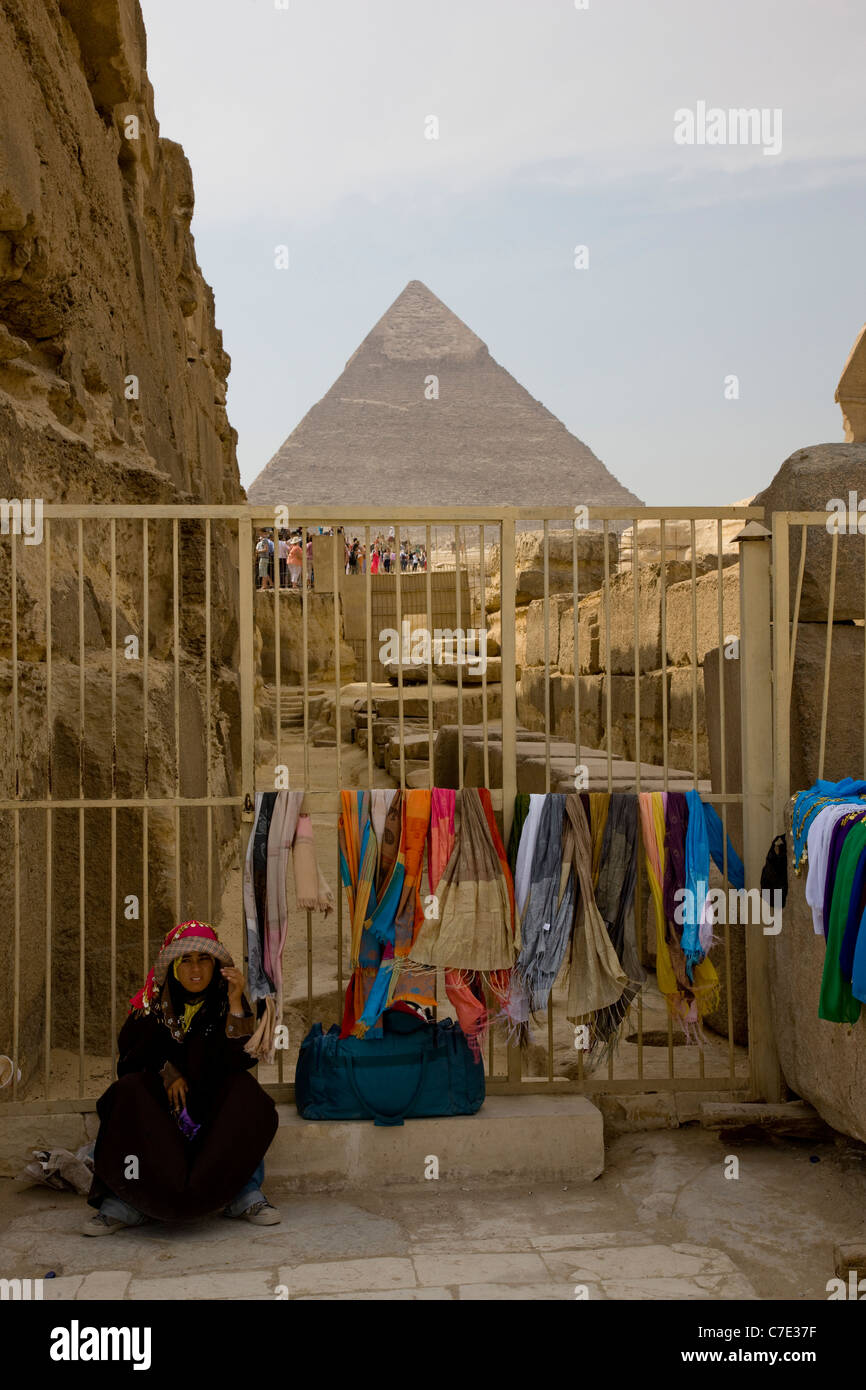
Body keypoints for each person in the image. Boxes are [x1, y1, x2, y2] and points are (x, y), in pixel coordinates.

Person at [82, 920, 279, 1234]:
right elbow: (130, 1061)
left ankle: (242, 1193)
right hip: (162, 1118)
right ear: (173, 967)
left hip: (209, 1113)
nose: (196, 968)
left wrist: (235, 1002)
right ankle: (127, 1200)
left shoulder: (226, 1001)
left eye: (204, 959)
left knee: (246, 1093)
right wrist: (167, 1072)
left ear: (216, 966)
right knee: (128, 1091)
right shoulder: (152, 1006)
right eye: (185, 960)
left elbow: (241, 1060)